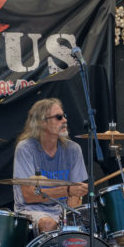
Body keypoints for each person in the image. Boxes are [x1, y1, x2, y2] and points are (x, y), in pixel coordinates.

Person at [12, 98, 90, 233]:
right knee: (48, 224)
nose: (64, 120)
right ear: (42, 122)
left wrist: (70, 218)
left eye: (64, 116)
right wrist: (67, 190)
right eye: (58, 117)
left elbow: (75, 195)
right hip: (31, 209)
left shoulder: (73, 149)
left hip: (61, 210)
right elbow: (29, 195)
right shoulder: (25, 148)